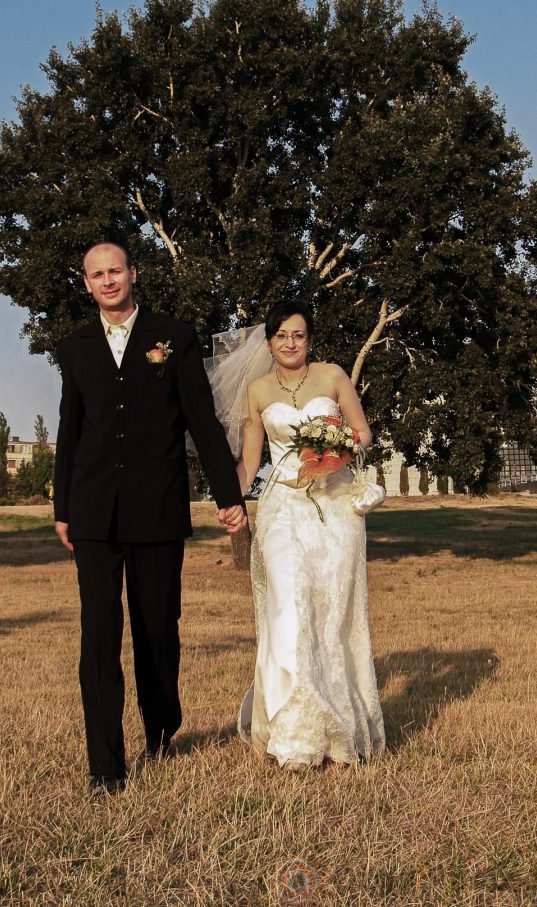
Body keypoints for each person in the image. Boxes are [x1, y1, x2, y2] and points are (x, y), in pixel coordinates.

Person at [53, 240, 246, 794]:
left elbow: (201, 420)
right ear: (86, 283)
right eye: (97, 274)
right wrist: (63, 507)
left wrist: (228, 494)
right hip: (93, 510)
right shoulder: (74, 346)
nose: (108, 281)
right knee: (98, 634)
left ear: (133, 274)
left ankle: (161, 731)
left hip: (157, 505)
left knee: (157, 628)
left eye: (115, 271)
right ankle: (105, 766)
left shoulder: (174, 336)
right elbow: (70, 428)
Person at [234, 299, 385, 769]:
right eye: (281, 335)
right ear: (268, 342)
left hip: (336, 505)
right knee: (289, 605)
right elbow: (250, 462)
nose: (290, 343)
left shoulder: (333, 376)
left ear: (310, 339)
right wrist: (228, 497)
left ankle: (340, 729)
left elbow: (363, 433)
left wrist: (338, 448)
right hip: (282, 506)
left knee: (332, 611)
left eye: (298, 335)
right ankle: (293, 733)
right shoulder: (257, 391)